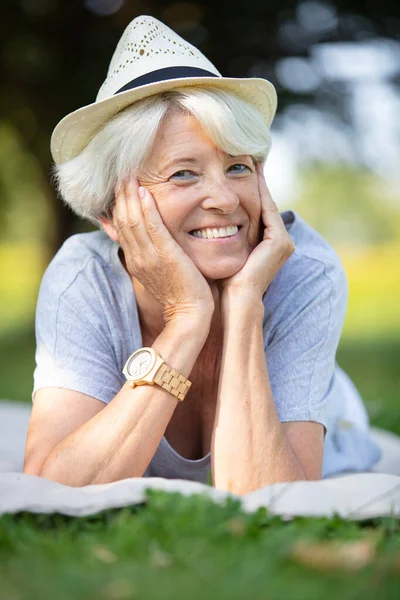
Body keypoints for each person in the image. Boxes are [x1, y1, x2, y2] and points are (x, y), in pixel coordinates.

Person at [23, 15, 381, 493]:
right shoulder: (81, 277)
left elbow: (267, 497)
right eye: (183, 174)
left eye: (237, 167)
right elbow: (52, 490)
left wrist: (245, 304)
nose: (226, 199)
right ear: (111, 214)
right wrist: (188, 316)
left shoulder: (305, 271)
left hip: (338, 437)